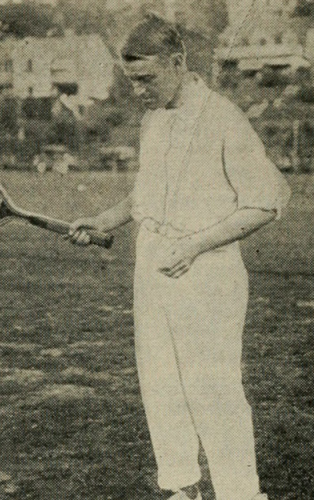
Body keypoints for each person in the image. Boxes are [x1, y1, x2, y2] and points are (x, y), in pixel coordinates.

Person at [69, 13, 291, 500]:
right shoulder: (153, 118)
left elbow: (266, 202)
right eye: (132, 80)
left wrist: (194, 245)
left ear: (177, 62)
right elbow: (144, 196)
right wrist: (103, 220)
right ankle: (182, 487)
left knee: (215, 388)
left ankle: (240, 493)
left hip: (206, 268)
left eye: (146, 79)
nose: (138, 91)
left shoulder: (224, 118)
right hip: (152, 263)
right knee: (160, 381)